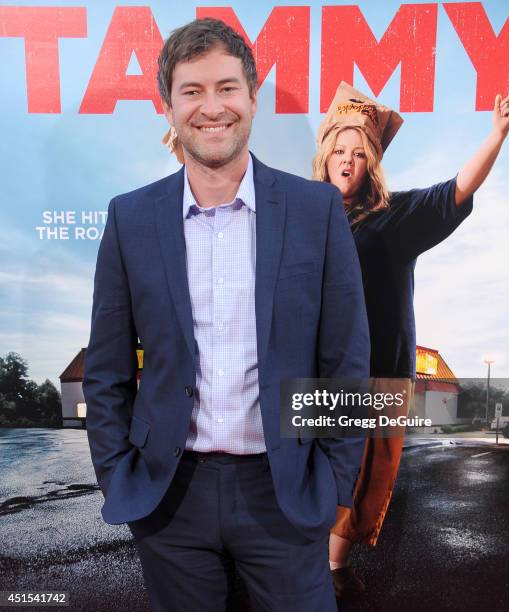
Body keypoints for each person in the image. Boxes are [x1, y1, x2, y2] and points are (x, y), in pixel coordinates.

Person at [83, 20, 370, 612]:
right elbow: (106, 370)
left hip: (286, 491)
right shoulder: (129, 219)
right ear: (168, 107)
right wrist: (118, 474)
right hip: (170, 499)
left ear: (253, 98)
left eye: (226, 88)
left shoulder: (316, 210)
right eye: (191, 91)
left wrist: (336, 482)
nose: (211, 108)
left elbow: (346, 359)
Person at [312, 81, 509, 600]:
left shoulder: (394, 217)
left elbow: (455, 191)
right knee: (313, 472)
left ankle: (334, 571)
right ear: (325, 156)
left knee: (364, 480)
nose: (346, 161)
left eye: (358, 153)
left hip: (378, 371)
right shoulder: (306, 220)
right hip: (317, 372)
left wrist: (496, 135)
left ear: (371, 164)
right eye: (339, 150)